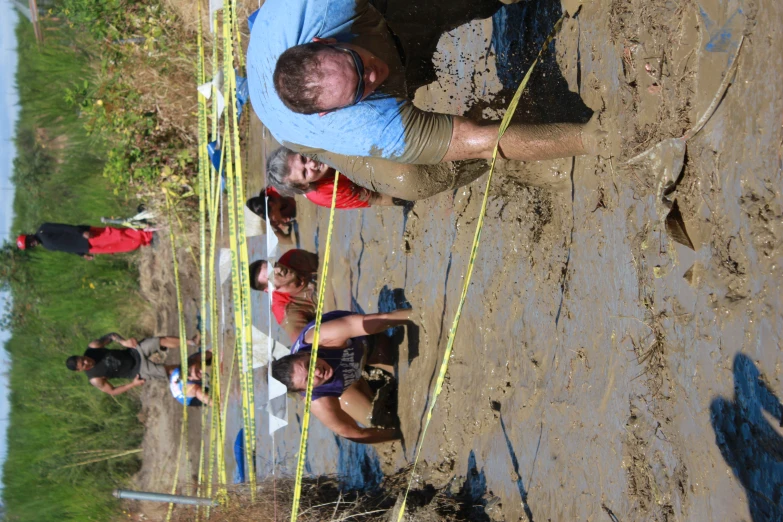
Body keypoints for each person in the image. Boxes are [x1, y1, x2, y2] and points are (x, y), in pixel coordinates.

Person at [247, 0, 605, 200]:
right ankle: (517, 129)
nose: (376, 72)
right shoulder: (355, 125)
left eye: (358, 64)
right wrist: (594, 139)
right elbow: (480, 139)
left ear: (324, 42)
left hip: (335, 20)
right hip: (295, 126)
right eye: (360, 88)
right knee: (411, 180)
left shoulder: (329, 7)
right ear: (333, 112)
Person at [271, 309, 409, 444]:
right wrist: (406, 434)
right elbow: (356, 434)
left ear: (305, 353)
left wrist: (418, 315)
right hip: (347, 386)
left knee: (408, 370)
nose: (317, 372)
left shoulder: (322, 337)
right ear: (305, 391)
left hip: (369, 345)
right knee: (382, 422)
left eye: (309, 365)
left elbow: (383, 318)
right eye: (309, 379)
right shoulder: (319, 401)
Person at [66, 332, 207, 397]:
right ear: (80, 370)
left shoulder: (93, 347)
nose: (86, 361)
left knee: (158, 340)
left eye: (83, 358)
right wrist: (133, 384)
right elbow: (112, 391)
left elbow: (111, 336)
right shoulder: (95, 378)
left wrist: (123, 341)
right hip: (137, 371)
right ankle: (198, 370)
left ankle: (192, 342)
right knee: (170, 371)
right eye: (83, 364)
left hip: (133, 352)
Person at [266, 146, 411, 208]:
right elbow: (376, 197)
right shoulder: (324, 194)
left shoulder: (312, 143)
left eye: (303, 159)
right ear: (304, 185)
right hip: (355, 183)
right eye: (305, 173)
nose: (312, 164)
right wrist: (408, 199)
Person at [249, 248, 319, 341]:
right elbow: (304, 343)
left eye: (273, 264)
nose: (279, 269)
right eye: (272, 274)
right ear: (270, 289)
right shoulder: (285, 312)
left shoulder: (294, 257)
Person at [17, 223, 154, 260]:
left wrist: (81, 232)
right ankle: (143, 240)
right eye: (29, 246)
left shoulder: (43, 229)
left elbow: (64, 228)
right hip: (87, 247)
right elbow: (67, 247)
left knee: (115, 235)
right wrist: (82, 254)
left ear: (29, 236)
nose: (31, 244)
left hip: (86, 236)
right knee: (117, 246)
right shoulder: (46, 246)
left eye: (29, 241)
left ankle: (147, 232)